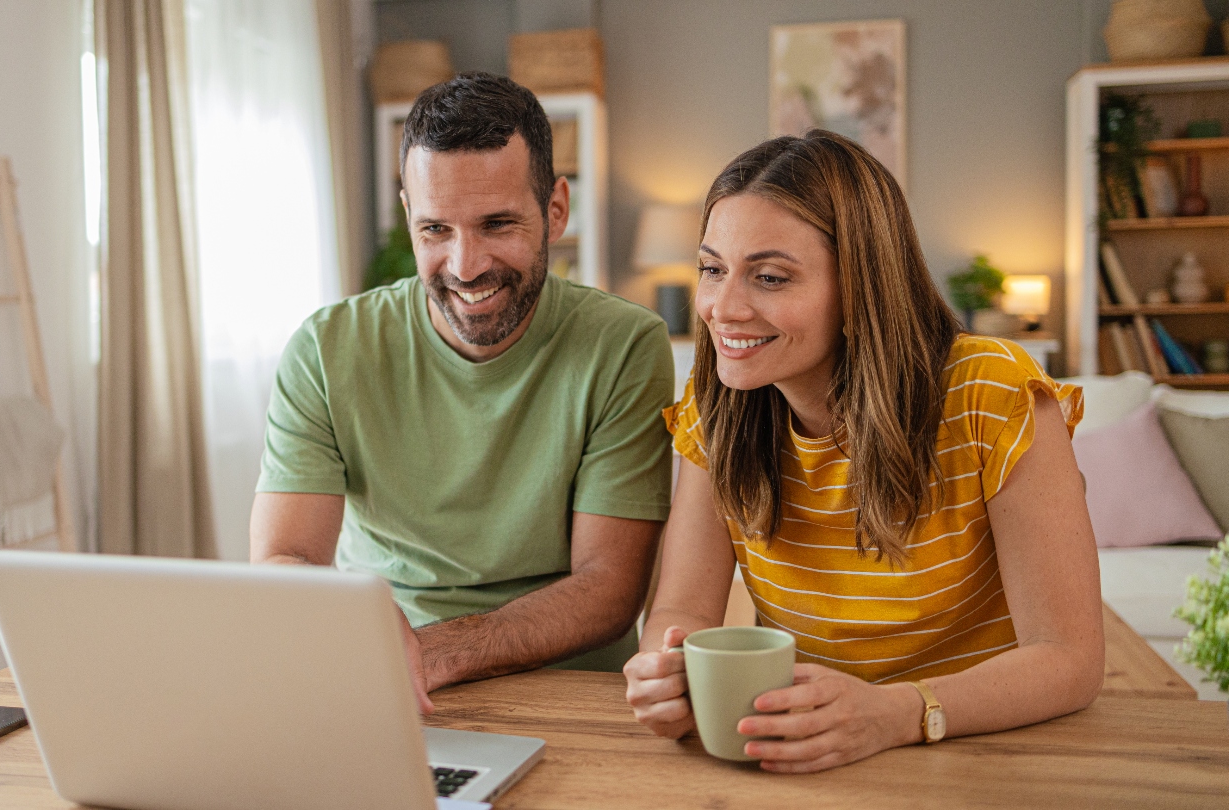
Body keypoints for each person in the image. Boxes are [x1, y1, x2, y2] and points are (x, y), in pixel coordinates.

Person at [623, 131, 1103, 772]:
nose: (721, 308)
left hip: (983, 752)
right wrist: (666, 670)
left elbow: (1068, 659)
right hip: (810, 752)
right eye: (712, 268)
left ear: (861, 287)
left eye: (768, 277)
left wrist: (898, 714)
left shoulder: (994, 393)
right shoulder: (715, 407)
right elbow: (681, 610)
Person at [251, 73, 673, 713]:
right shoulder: (326, 349)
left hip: (567, 690)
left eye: (497, 224)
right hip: (389, 683)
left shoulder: (624, 345)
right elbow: (283, 558)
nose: (465, 264)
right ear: (407, 216)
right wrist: (374, 644)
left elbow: (609, 588)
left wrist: (432, 652)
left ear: (556, 209)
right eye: (435, 230)